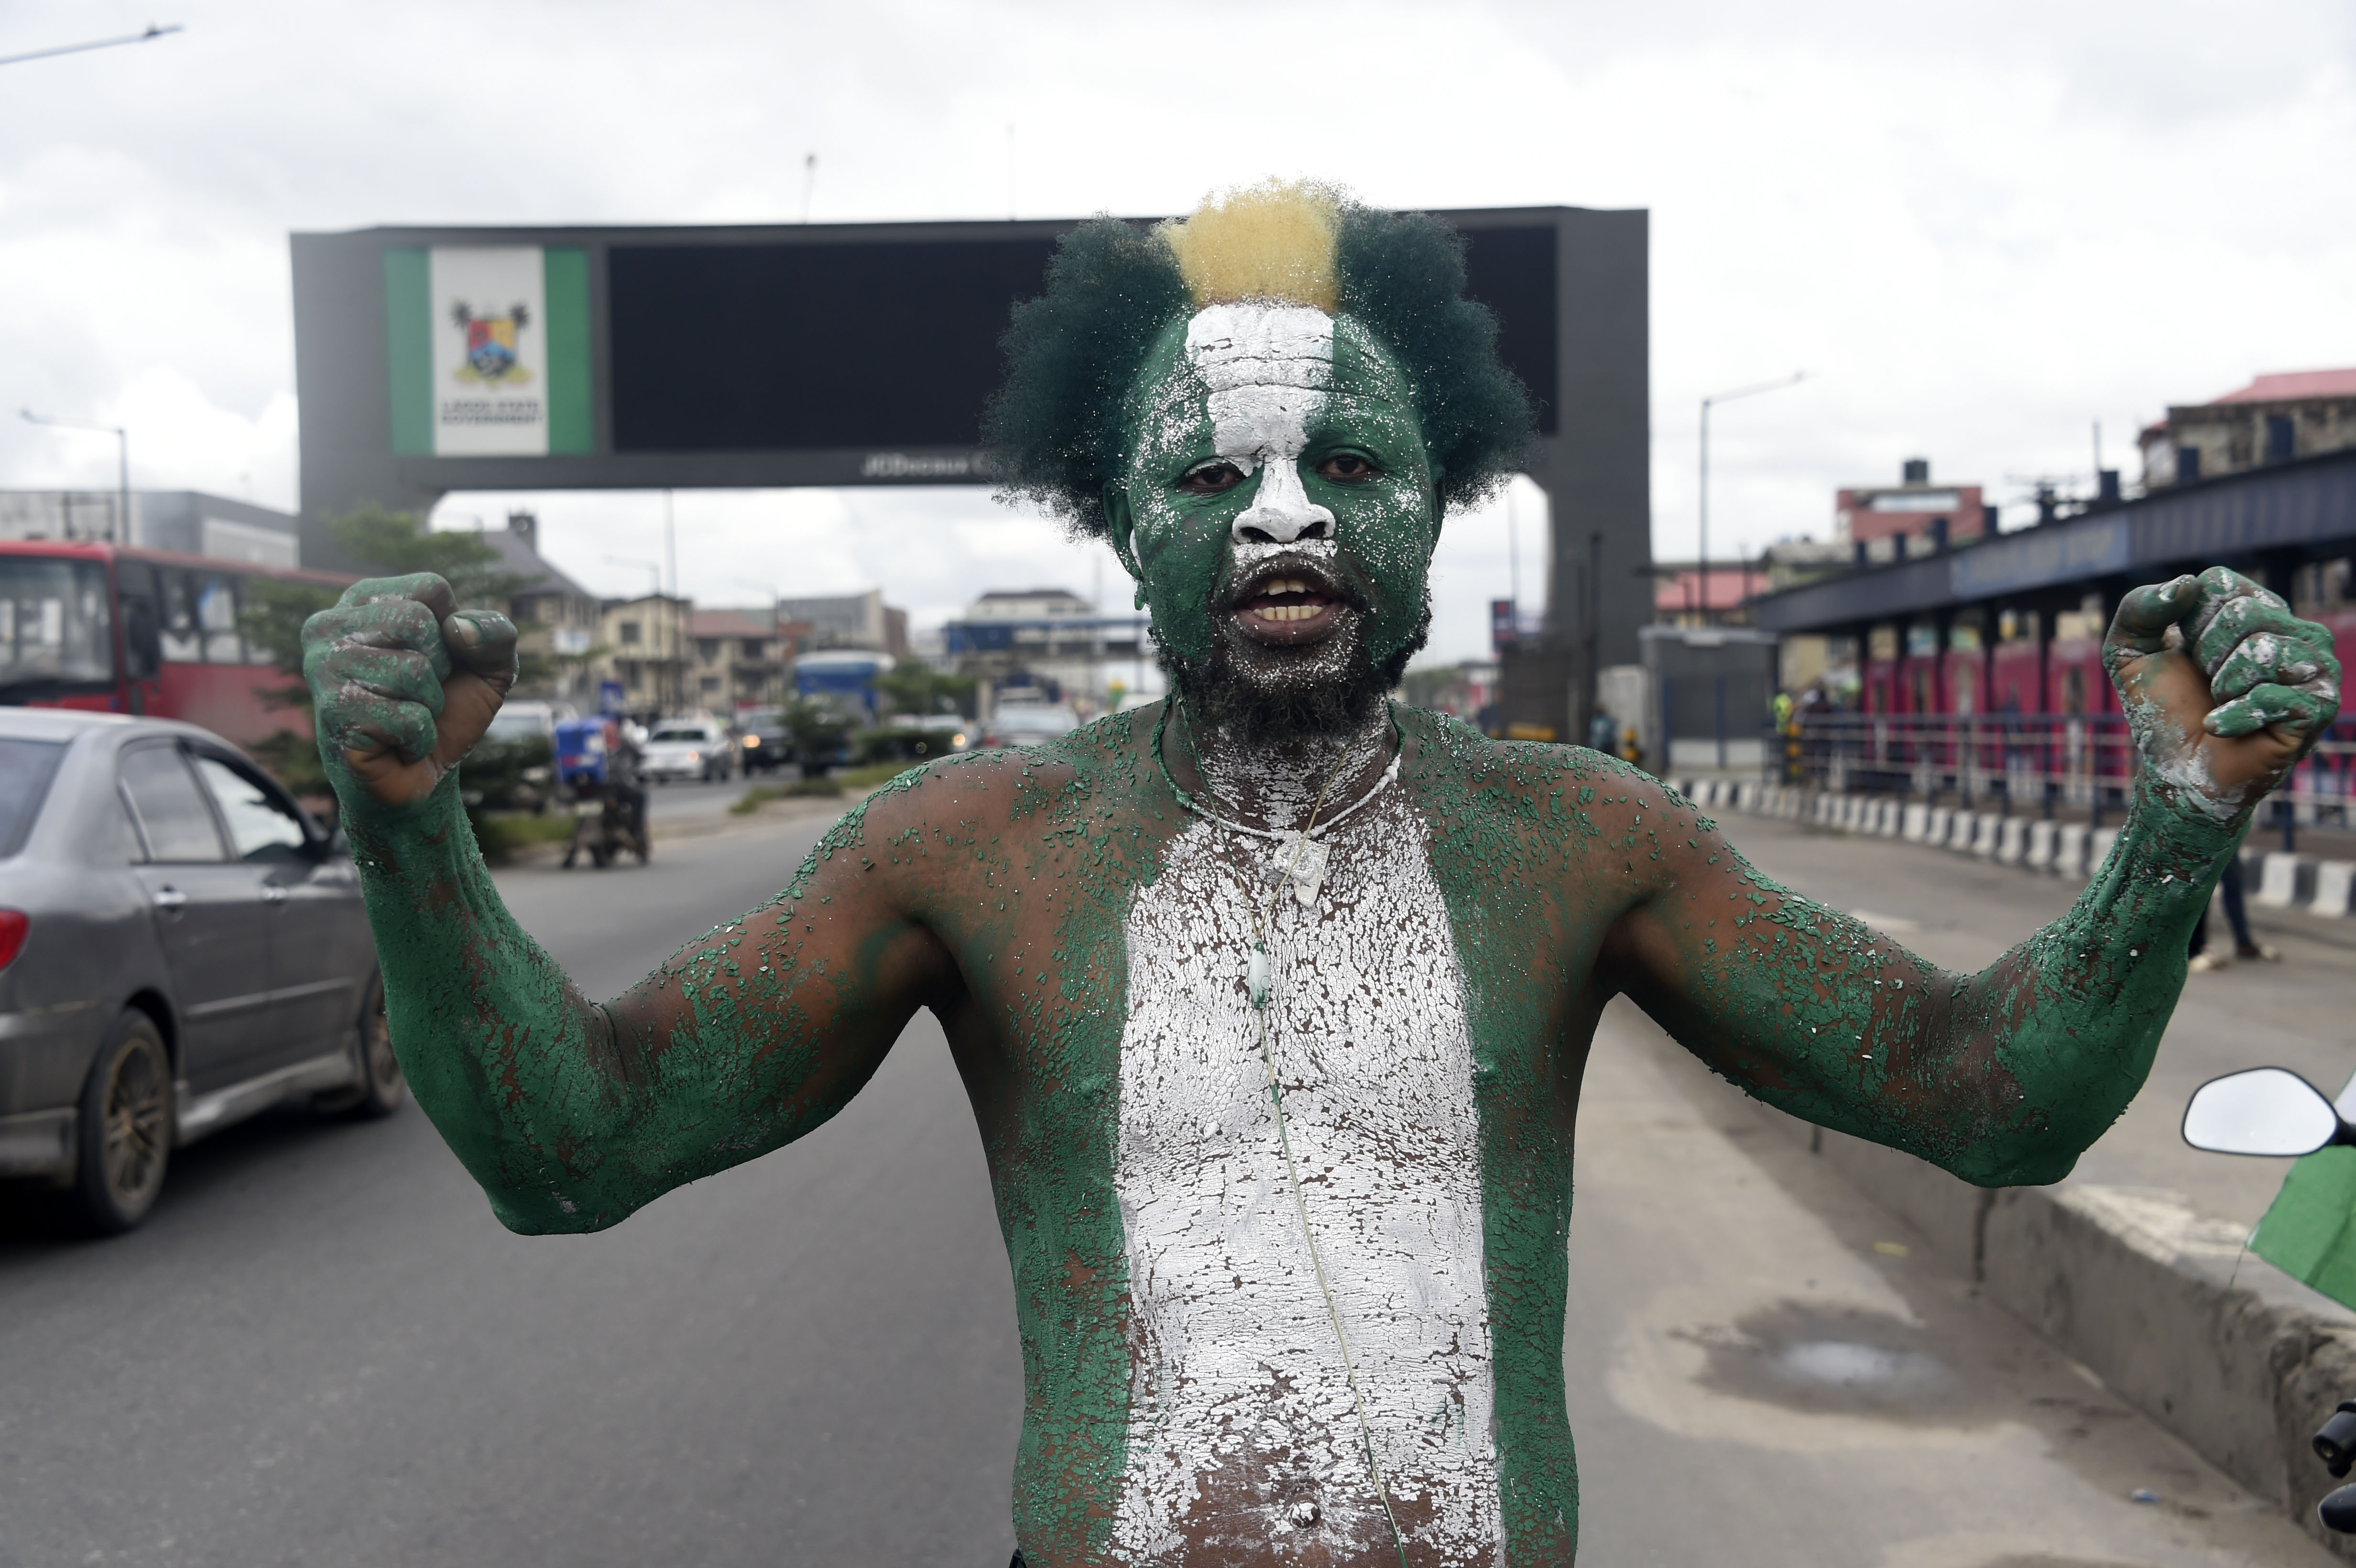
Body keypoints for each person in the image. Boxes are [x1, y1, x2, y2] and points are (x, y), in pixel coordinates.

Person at [300, 182, 2339, 1568]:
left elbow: (1994, 1098)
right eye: (1210, 477)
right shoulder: (968, 848)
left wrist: (2173, 818)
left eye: (1344, 468)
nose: (1283, 518)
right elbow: (577, 1150)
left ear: (1433, 507)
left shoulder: (1579, 843)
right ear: (1128, 528)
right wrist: (410, 827)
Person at [2187, 852, 2273, 969]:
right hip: (2204, 836)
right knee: (2204, 881)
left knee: (2232, 880)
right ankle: (2195, 949)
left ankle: (2243, 942)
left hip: (2226, 835)